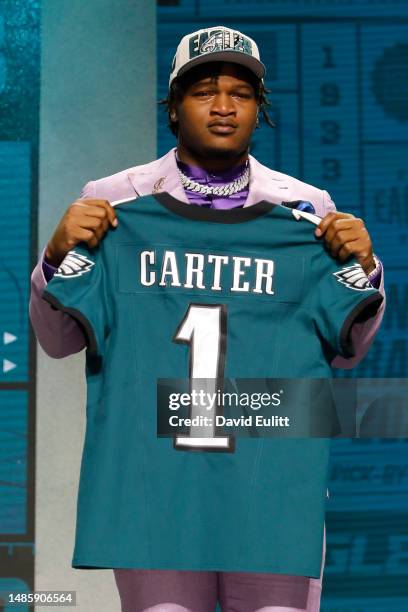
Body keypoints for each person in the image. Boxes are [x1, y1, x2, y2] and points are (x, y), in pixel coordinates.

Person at [30, 26, 385, 612]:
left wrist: (366, 271)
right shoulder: (115, 201)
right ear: (173, 107)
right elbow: (58, 340)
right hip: (155, 490)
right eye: (204, 91)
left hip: (270, 485)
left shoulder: (305, 207)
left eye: (241, 94)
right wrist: (53, 257)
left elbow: (345, 350)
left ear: (259, 108)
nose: (224, 107)